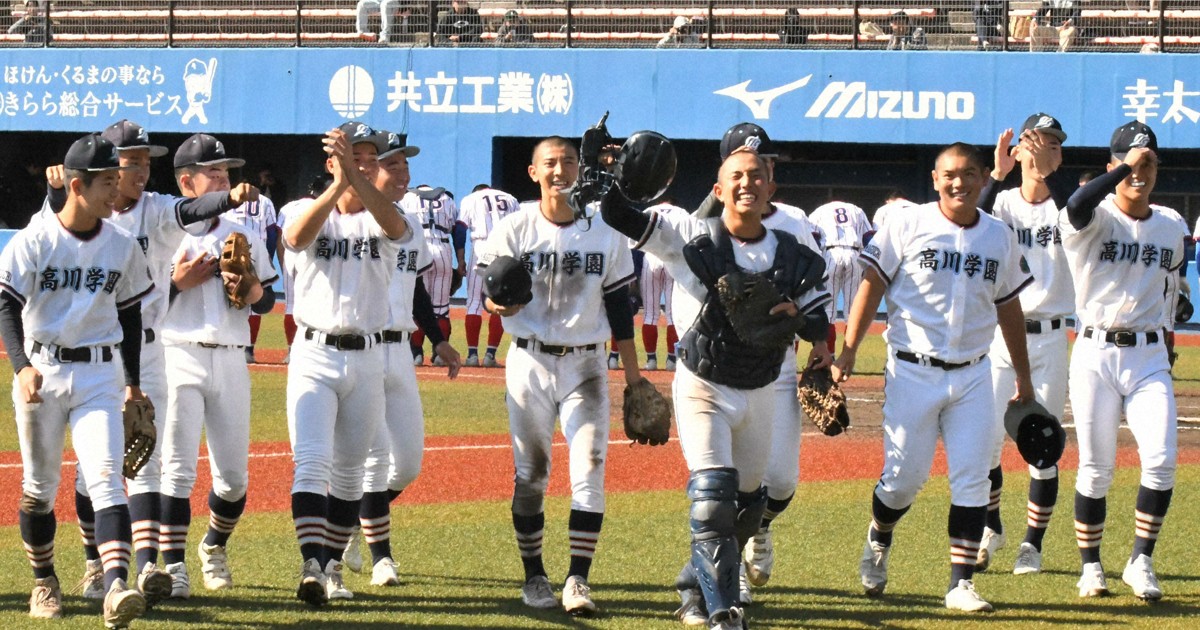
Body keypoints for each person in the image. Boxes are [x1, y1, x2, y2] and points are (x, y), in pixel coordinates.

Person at [599, 147, 831, 629]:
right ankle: (725, 612)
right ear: (719, 189)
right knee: (712, 499)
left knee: (747, 508)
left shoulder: (793, 254)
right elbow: (617, 214)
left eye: (757, 176)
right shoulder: (693, 238)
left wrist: (803, 321)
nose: (747, 183)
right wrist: (616, 178)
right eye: (736, 177)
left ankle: (691, 588)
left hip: (761, 386)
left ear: (771, 188)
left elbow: (818, 319)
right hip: (703, 383)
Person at [42, 122, 258, 605]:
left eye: (145, 160)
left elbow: (192, 207)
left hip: (152, 350)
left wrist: (227, 199)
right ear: (104, 166)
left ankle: (146, 570)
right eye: (131, 160)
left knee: (147, 460)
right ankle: (94, 563)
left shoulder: (157, 209)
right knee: (91, 471)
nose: (141, 169)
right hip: (96, 353)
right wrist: (53, 192)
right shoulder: (72, 212)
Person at [833, 142, 1035, 613]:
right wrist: (846, 351)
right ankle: (879, 538)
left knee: (973, 479)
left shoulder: (999, 236)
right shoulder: (905, 223)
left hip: (973, 374)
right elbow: (871, 286)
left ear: (985, 178)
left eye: (968, 173)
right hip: (912, 370)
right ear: (934, 178)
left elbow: (1010, 308)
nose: (958, 182)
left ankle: (960, 583)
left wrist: (1023, 377)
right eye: (949, 174)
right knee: (903, 480)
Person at [476, 136, 640, 617]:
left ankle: (578, 580)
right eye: (550, 163)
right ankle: (534, 577)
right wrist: (496, 304)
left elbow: (620, 308)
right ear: (533, 173)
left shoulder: (604, 228)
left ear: (580, 169)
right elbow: (489, 289)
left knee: (589, 469)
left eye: (569, 161)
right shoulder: (515, 227)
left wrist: (634, 378)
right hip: (528, 361)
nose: (560, 170)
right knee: (531, 475)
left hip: (587, 362)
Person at [1, 133, 153, 627]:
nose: (117, 191)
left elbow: (130, 317)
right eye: (108, 182)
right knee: (40, 487)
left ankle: (113, 588)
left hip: (99, 373)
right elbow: (7, 305)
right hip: (43, 370)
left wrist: (132, 382)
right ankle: (45, 581)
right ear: (75, 186)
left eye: (118, 180)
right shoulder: (35, 240)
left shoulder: (122, 244)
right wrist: (21, 365)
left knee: (107, 480)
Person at [283, 121, 413, 606]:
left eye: (370, 159)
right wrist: (340, 184)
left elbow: (396, 229)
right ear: (330, 161)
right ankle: (311, 565)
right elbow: (296, 239)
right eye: (353, 156)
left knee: (351, 475)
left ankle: (331, 567)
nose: (363, 165)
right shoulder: (301, 208)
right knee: (312, 464)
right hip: (315, 353)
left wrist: (355, 180)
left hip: (369, 356)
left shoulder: (387, 215)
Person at [1061, 122, 1183, 601]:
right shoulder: (1097, 216)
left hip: (1150, 354)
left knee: (1161, 461)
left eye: (1148, 162)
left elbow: (1172, 291)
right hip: (1095, 351)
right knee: (1095, 469)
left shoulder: (1171, 225)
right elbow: (1075, 205)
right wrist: (1121, 172)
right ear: (1111, 166)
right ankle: (1090, 567)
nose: (1139, 170)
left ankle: (1140, 560)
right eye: (1129, 161)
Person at [154, 136, 279, 599]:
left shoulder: (239, 232)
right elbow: (137, 306)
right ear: (187, 182)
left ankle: (213, 545)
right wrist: (175, 283)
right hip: (178, 352)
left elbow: (266, 301)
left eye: (227, 171)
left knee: (233, 479)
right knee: (177, 472)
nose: (225, 178)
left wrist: (250, 290)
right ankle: (174, 565)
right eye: (215, 172)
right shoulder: (164, 235)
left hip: (230, 356)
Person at [351, 129, 462, 587]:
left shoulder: (408, 224)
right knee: (375, 460)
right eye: (392, 164)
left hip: (401, 350)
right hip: (364, 350)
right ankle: (382, 557)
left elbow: (415, 287)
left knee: (408, 463)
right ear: (368, 170)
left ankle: (352, 517)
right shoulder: (351, 221)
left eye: (404, 165)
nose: (403, 173)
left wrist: (437, 338)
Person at [975, 114, 1076, 575]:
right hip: (1002, 335)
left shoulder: (1067, 206)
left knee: (1043, 446)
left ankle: (1032, 545)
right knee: (987, 443)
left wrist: (1052, 174)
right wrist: (996, 174)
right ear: (1017, 152)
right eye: (1035, 142)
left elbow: (1078, 208)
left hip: (1052, 337)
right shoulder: (1003, 205)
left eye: (1053, 145)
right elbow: (970, 220)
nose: (1042, 152)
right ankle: (992, 524)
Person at [458, 183, 519, 367]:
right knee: (500, 301)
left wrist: (460, 258)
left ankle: (472, 355)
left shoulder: (471, 199)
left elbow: (460, 229)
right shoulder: (510, 198)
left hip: (481, 247)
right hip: (506, 248)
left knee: (474, 303)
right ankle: (490, 355)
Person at [402, 184, 463, 366]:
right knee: (441, 308)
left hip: (419, 247)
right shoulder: (447, 199)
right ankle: (438, 356)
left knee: (418, 304)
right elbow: (457, 230)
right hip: (443, 247)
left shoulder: (407, 198)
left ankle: (416, 354)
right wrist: (460, 259)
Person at [277, 174, 335, 363]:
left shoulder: (288, 207)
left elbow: (280, 238)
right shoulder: (326, 206)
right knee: (320, 301)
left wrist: (282, 260)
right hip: (314, 256)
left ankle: (291, 350)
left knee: (291, 305)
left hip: (290, 255)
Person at [808, 200, 873, 353]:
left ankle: (829, 355)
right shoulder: (856, 209)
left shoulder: (820, 210)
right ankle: (848, 355)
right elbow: (869, 238)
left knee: (828, 312)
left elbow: (813, 239)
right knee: (853, 311)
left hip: (830, 255)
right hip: (855, 255)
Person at [222, 194, 278, 364]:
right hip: (254, 251)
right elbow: (271, 232)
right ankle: (248, 348)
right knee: (252, 299)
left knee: (238, 297)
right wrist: (267, 256)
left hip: (226, 251)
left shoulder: (222, 198)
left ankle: (242, 347)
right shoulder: (266, 201)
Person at [638, 197, 687, 372]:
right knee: (672, 315)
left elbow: (636, 237)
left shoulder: (649, 210)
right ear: (671, 202)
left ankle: (651, 361)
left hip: (651, 258)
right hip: (673, 259)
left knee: (650, 314)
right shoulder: (681, 212)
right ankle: (671, 361)